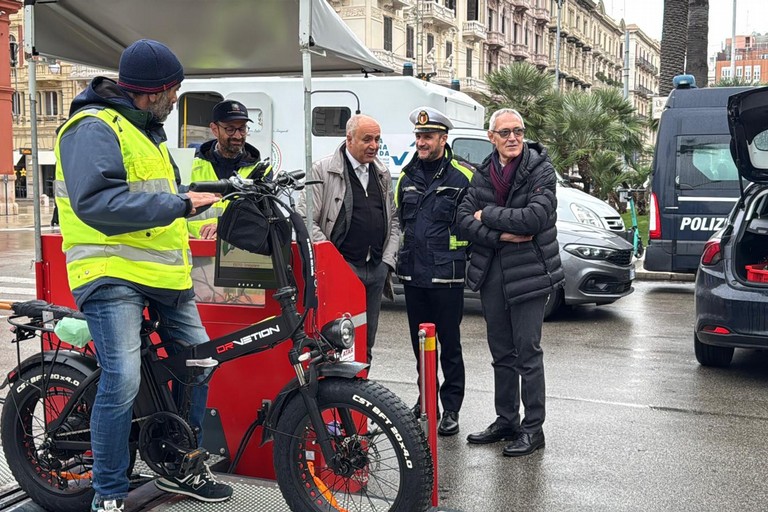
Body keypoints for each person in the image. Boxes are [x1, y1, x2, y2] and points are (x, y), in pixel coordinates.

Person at [53, 39, 233, 512]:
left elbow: (169, 199)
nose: (176, 100)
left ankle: (181, 465)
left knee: (199, 363)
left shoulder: (147, 133)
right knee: (123, 379)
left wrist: (216, 205)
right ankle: (108, 494)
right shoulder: (91, 128)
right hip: (110, 272)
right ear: (154, 91)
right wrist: (179, 204)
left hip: (163, 276)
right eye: (174, 91)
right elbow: (98, 203)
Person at [457, 108, 564, 457]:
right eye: (504, 132)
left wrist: (486, 216)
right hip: (492, 274)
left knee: (527, 354)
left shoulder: (540, 170)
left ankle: (533, 430)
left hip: (530, 273)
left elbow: (535, 218)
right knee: (501, 354)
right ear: (492, 138)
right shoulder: (483, 174)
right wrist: (503, 233)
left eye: (517, 130)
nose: (513, 138)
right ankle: (507, 420)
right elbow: (460, 220)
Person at [394, 107, 472, 437]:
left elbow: (472, 224)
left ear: (443, 139)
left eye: (428, 137)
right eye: (418, 137)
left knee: (450, 346)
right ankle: (427, 400)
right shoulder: (406, 176)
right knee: (420, 344)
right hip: (414, 275)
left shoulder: (463, 176)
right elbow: (399, 221)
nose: (421, 142)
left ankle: (450, 408)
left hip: (447, 277)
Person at [298, 114, 399, 364]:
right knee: (337, 339)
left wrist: (386, 262)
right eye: (367, 139)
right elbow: (305, 220)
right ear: (349, 139)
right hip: (341, 270)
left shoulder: (382, 173)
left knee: (366, 340)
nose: (374, 145)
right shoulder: (323, 170)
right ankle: (335, 398)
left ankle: (362, 395)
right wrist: (334, 263)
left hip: (375, 270)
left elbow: (394, 220)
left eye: (377, 139)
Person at [187, 100, 271, 239]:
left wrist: (223, 227)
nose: (238, 136)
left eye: (242, 129)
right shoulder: (190, 165)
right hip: (194, 248)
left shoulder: (261, 171)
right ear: (214, 129)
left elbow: (263, 218)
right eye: (230, 129)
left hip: (239, 250)